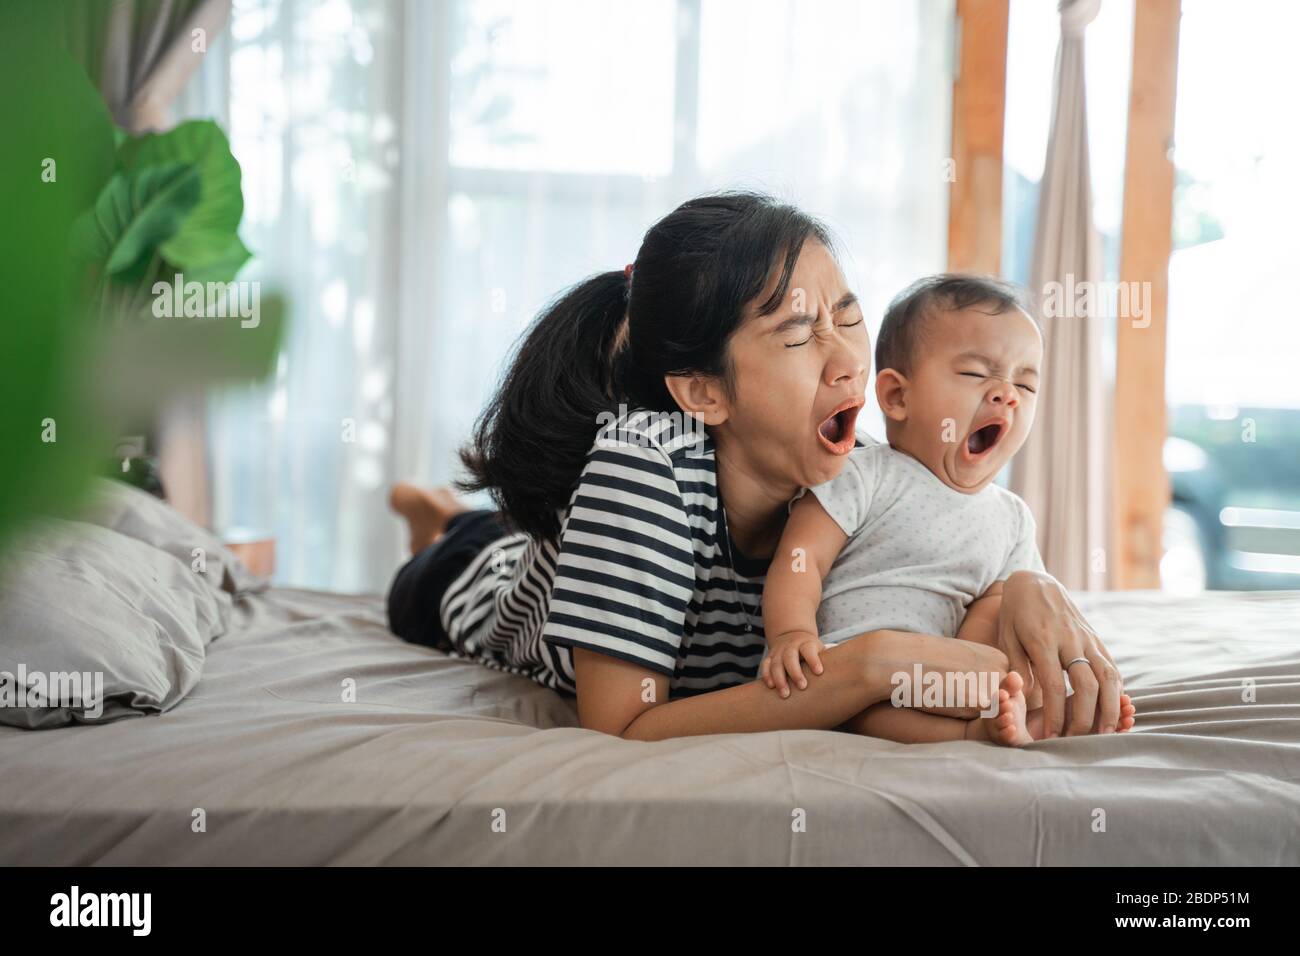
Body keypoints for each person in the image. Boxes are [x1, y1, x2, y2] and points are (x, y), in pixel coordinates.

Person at [386, 191, 1126, 741]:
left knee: (490, 530)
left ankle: (454, 517)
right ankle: (438, 524)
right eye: (801, 333)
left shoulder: (856, 475)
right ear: (704, 391)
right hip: (482, 592)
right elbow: (622, 726)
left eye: (847, 315)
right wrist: (865, 668)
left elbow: (954, 575)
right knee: (456, 563)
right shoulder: (643, 468)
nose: (848, 361)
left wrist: (1024, 583)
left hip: (584, 541)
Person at [760, 274, 1137, 744]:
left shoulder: (1012, 518)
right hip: (855, 665)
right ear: (898, 396)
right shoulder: (863, 473)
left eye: (1025, 383)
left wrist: (996, 665)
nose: (1007, 394)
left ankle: (1025, 714)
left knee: (1012, 640)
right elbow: (801, 559)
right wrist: (790, 634)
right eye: (977, 374)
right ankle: (971, 737)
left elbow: (1000, 614)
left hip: (954, 672)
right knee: (864, 713)